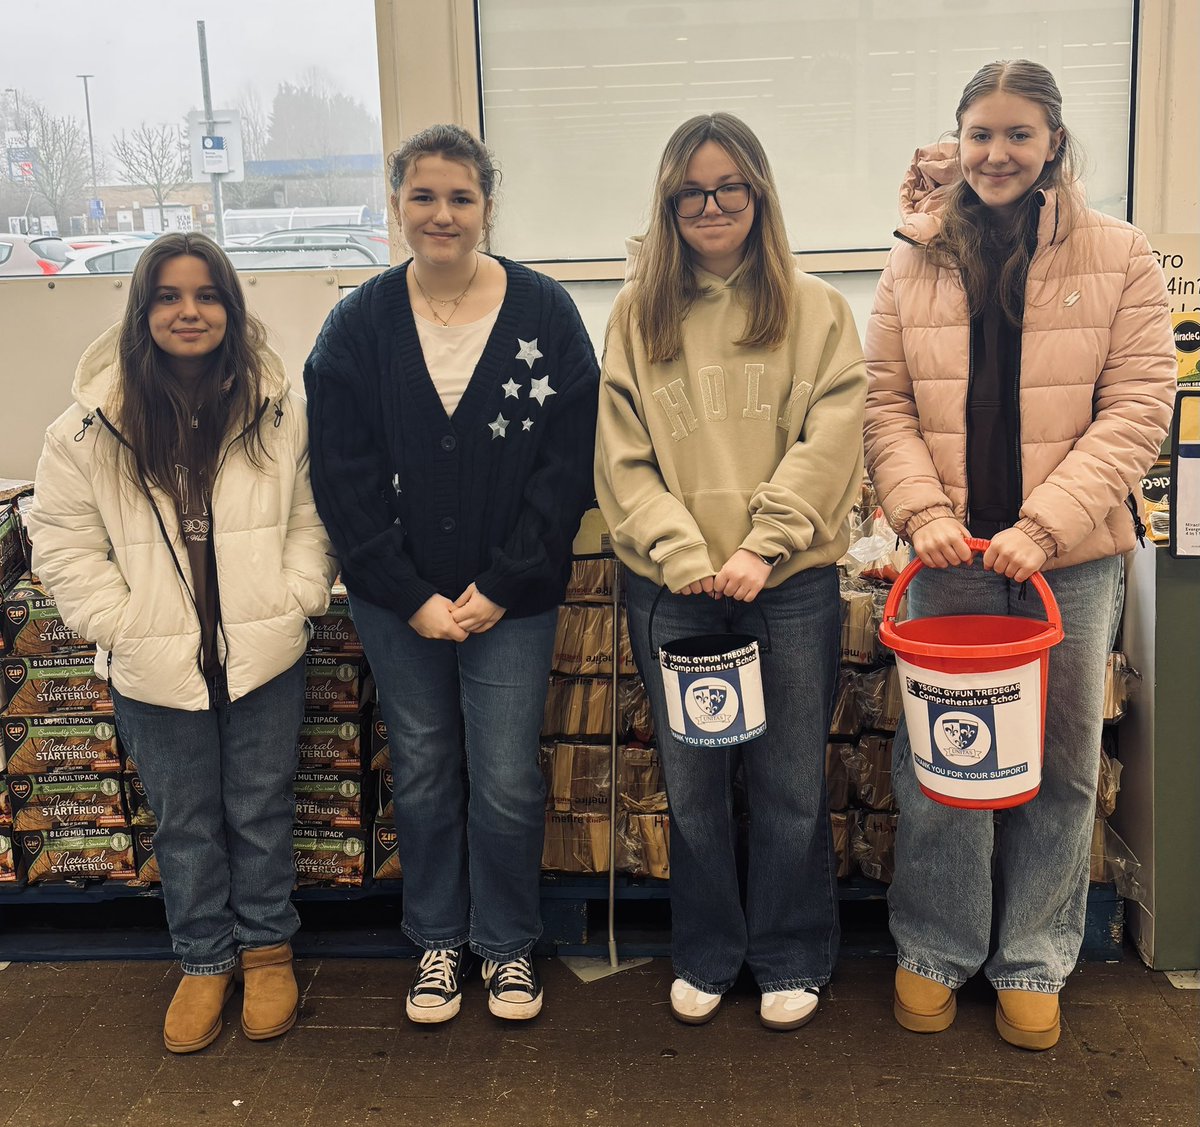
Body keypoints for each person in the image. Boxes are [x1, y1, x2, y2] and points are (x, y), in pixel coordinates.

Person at [863, 60, 1176, 1050]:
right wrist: (921, 514)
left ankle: (1034, 955)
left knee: (1057, 761)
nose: (998, 153)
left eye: (1020, 133)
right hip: (948, 555)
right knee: (941, 758)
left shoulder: (1120, 254)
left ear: (1054, 142)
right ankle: (933, 945)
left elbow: (1138, 409)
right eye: (981, 133)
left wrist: (1041, 527)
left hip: (1067, 561)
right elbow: (884, 404)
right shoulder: (912, 256)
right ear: (957, 140)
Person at [304, 124, 598, 1024]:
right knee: (427, 768)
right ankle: (437, 937)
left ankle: (506, 944)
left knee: (507, 774)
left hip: (513, 600)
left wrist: (505, 582)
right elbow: (341, 479)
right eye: (423, 197)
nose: (442, 214)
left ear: (487, 208)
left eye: (460, 197)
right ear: (395, 208)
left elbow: (567, 467)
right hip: (401, 603)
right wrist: (410, 594)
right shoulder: (357, 325)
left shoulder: (545, 315)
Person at [27, 232, 336, 1053]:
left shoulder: (278, 408)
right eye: (168, 296)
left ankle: (268, 950)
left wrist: (295, 597)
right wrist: (123, 625)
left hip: (263, 653)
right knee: (186, 820)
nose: (188, 311)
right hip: (153, 666)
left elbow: (313, 519)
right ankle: (204, 959)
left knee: (262, 809)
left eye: (205, 295)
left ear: (230, 308)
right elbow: (60, 544)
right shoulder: (88, 428)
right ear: (142, 310)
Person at [595, 112, 867, 1030]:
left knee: (792, 782)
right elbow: (622, 459)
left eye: (729, 188)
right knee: (694, 786)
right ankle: (708, 951)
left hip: (787, 585)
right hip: (672, 590)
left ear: (758, 194)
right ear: (669, 205)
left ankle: (791, 953)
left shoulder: (818, 308)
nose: (711, 207)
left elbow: (832, 442)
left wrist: (762, 546)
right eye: (691, 193)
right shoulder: (636, 316)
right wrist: (684, 554)